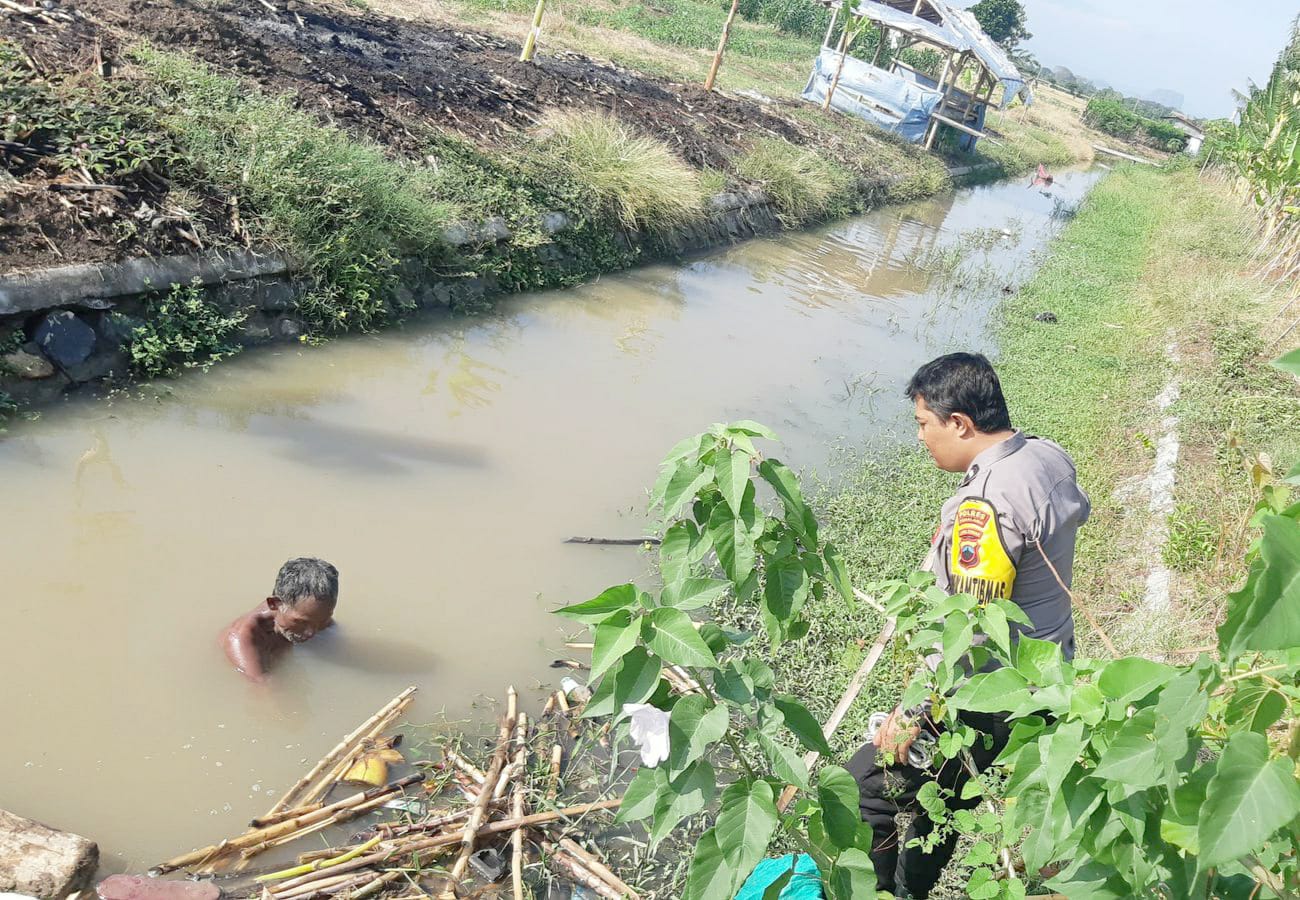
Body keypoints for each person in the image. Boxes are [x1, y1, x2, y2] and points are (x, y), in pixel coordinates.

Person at [848, 352, 1090, 898]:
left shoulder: (984, 504)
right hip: (1045, 673)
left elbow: (973, 629)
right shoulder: (1046, 456)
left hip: (986, 694)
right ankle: (914, 888)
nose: (921, 438)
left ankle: (885, 891)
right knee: (948, 793)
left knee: (864, 788)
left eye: (923, 424)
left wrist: (913, 714)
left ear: (958, 423)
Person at [222, 557, 339, 682]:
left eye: (322, 621)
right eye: (301, 622)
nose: (311, 633)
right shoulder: (242, 638)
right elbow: (263, 687)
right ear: (274, 604)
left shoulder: (313, 616)